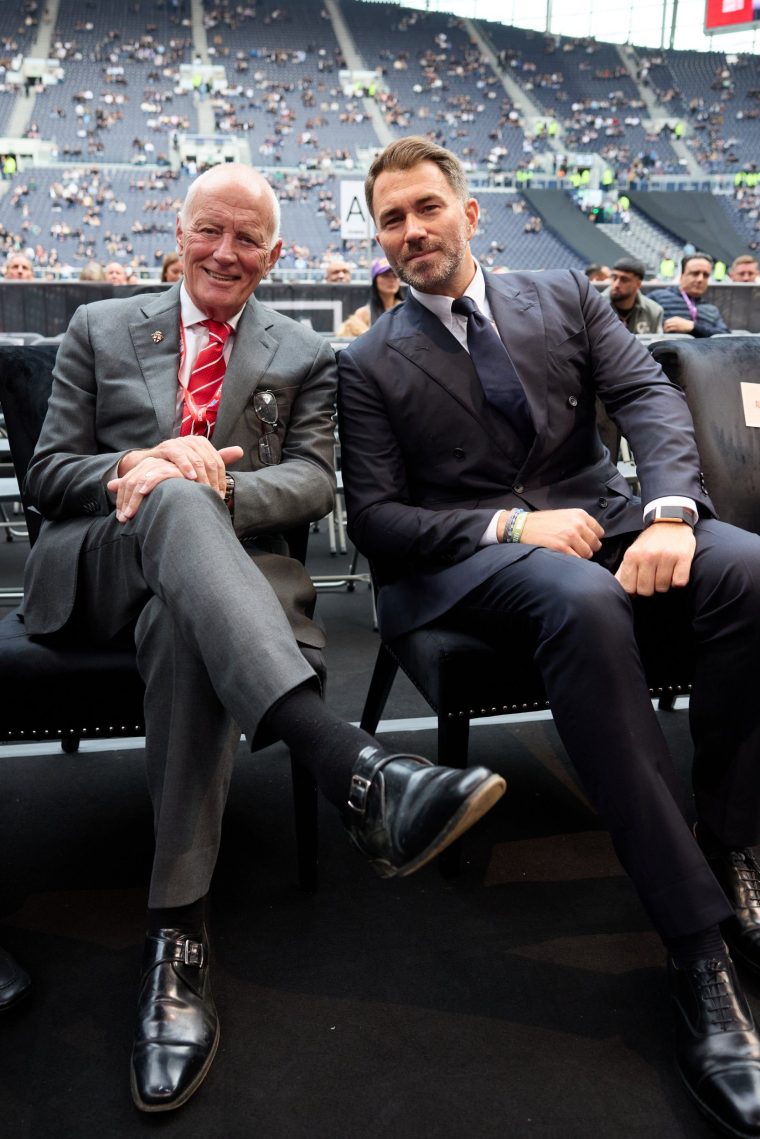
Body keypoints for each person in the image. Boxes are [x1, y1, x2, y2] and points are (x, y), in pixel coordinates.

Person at [21, 161, 505, 1113]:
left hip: (225, 580)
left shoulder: (303, 351)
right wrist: (145, 464)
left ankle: (180, 936)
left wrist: (212, 487)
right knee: (164, 495)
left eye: (248, 240)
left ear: (275, 256)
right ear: (180, 232)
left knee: (181, 617)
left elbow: (318, 479)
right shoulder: (96, 327)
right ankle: (352, 769)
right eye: (211, 231)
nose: (225, 253)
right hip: (95, 569)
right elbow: (46, 470)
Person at [337, 136, 760, 1139]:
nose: (411, 233)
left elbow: (651, 402)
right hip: (461, 563)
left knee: (746, 566)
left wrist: (668, 511)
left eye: (426, 208)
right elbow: (377, 522)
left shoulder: (566, 295)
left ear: (469, 212)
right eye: (391, 219)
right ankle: (695, 940)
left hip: (601, 515)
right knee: (580, 599)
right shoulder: (364, 360)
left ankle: (731, 835)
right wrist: (509, 525)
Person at [647, 253, 730, 336]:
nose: (700, 279)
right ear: (681, 276)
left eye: (706, 275)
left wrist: (693, 327)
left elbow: (726, 337)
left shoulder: (712, 310)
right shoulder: (657, 298)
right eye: (695, 273)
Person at [336, 257, 404, 338]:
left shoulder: (407, 310)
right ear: (375, 280)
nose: (391, 279)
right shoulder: (363, 314)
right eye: (385, 275)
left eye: (395, 275)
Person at [602, 256, 663, 334]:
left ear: (638, 284)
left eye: (624, 280)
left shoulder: (653, 311)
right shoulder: (595, 306)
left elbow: (655, 344)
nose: (616, 284)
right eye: (614, 278)